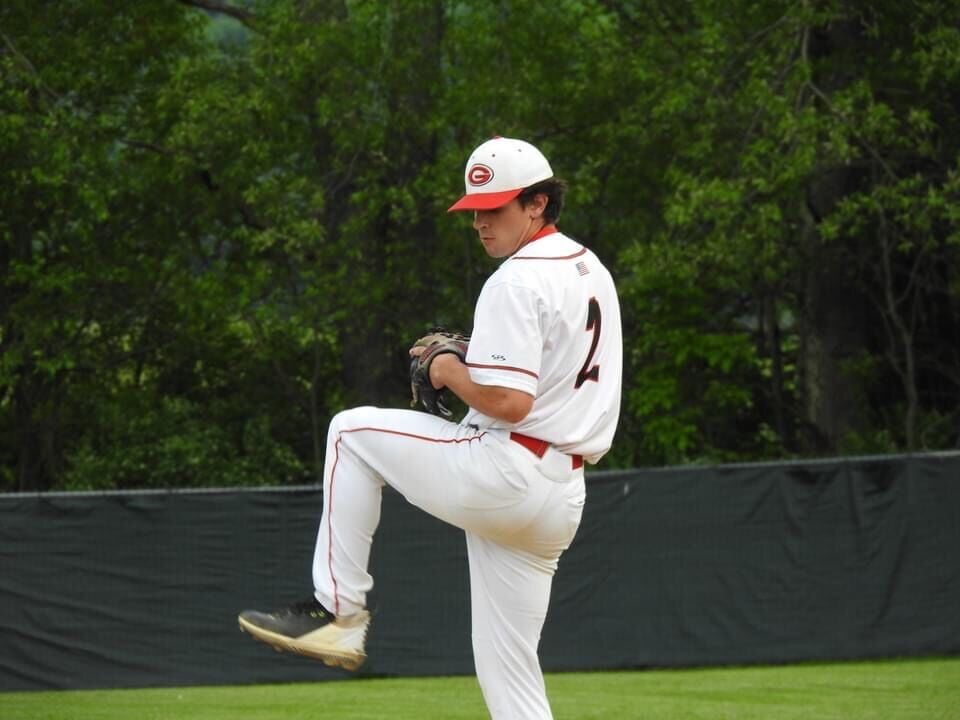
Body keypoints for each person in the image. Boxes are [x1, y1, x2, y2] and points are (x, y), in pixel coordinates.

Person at [238, 136, 623, 719]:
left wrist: (448, 367)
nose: (481, 223)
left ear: (538, 203)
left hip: (507, 467)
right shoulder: (590, 268)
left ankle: (338, 614)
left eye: (495, 208)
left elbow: (510, 401)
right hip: (559, 496)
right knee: (510, 672)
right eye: (474, 211)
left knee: (349, 433)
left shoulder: (515, 280)